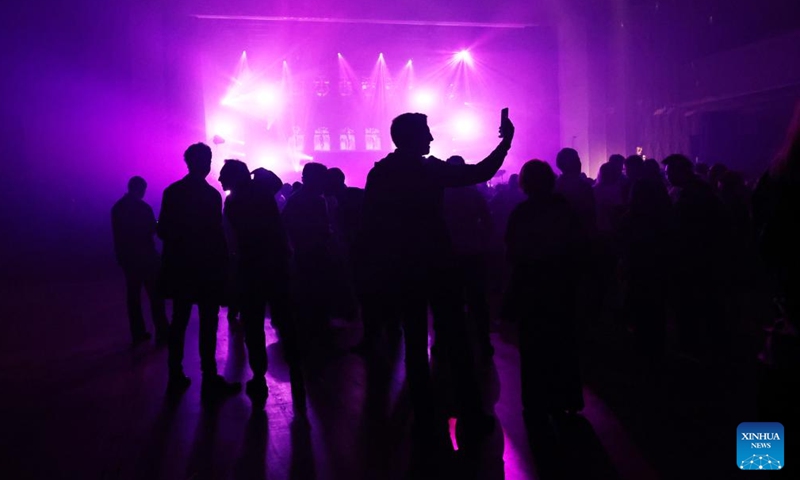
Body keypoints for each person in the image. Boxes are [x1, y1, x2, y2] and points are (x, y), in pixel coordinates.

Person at [356, 111, 514, 443]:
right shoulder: (429, 170)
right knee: (455, 338)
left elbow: (370, 224)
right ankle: (470, 411)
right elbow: (480, 171)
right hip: (438, 262)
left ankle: (425, 415)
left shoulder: (381, 173)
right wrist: (506, 141)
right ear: (414, 137)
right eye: (426, 133)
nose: (431, 138)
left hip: (403, 265)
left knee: (414, 341)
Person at [505, 160, 585, 423]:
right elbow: (576, 245)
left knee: (533, 346)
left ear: (525, 183)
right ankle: (567, 398)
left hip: (532, 284)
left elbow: (513, 251)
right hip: (561, 282)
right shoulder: (564, 209)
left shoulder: (522, 212)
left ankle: (536, 401)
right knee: (564, 342)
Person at [219, 160, 304, 408]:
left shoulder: (233, 202)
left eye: (224, 175)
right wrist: (258, 172)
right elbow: (277, 183)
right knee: (285, 319)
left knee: (253, 324)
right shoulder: (262, 193)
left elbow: (233, 239)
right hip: (275, 265)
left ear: (234, 178)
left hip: (251, 267)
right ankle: (297, 371)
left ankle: (258, 377)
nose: (220, 180)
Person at [158, 143, 240, 397]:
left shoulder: (172, 192)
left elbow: (164, 230)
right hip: (206, 269)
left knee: (179, 321)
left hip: (181, 267)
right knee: (208, 322)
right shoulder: (211, 196)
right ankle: (209, 376)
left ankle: (175, 373)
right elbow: (216, 235)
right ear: (204, 162)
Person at [111, 176, 169, 345]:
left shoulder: (118, 208)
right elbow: (153, 229)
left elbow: (117, 236)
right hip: (146, 256)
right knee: (156, 296)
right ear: (141, 189)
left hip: (128, 258)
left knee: (133, 297)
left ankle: (138, 333)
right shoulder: (144, 208)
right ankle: (162, 331)